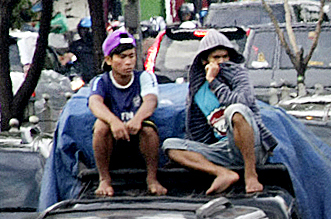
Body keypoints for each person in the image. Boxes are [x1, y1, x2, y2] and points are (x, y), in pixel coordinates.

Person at [162, 30, 276, 194]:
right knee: (171, 145)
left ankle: (250, 175)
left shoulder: (239, 75)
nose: (222, 62)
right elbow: (198, 130)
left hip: (251, 147)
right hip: (223, 150)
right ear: (204, 61)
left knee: (235, 110)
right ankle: (222, 173)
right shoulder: (198, 90)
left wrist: (214, 82)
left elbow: (242, 102)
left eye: (225, 57)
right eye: (216, 58)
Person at [88, 29, 165, 197]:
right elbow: (94, 103)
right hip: (112, 136)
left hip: (137, 131)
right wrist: (113, 121)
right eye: (122, 57)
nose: (128, 62)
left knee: (149, 130)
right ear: (109, 60)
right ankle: (104, 179)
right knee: (100, 127)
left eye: (131, 56)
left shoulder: (144, 77)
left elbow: (150, 100)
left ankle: (152, 178)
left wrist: (138, 119)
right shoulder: (101, 81)